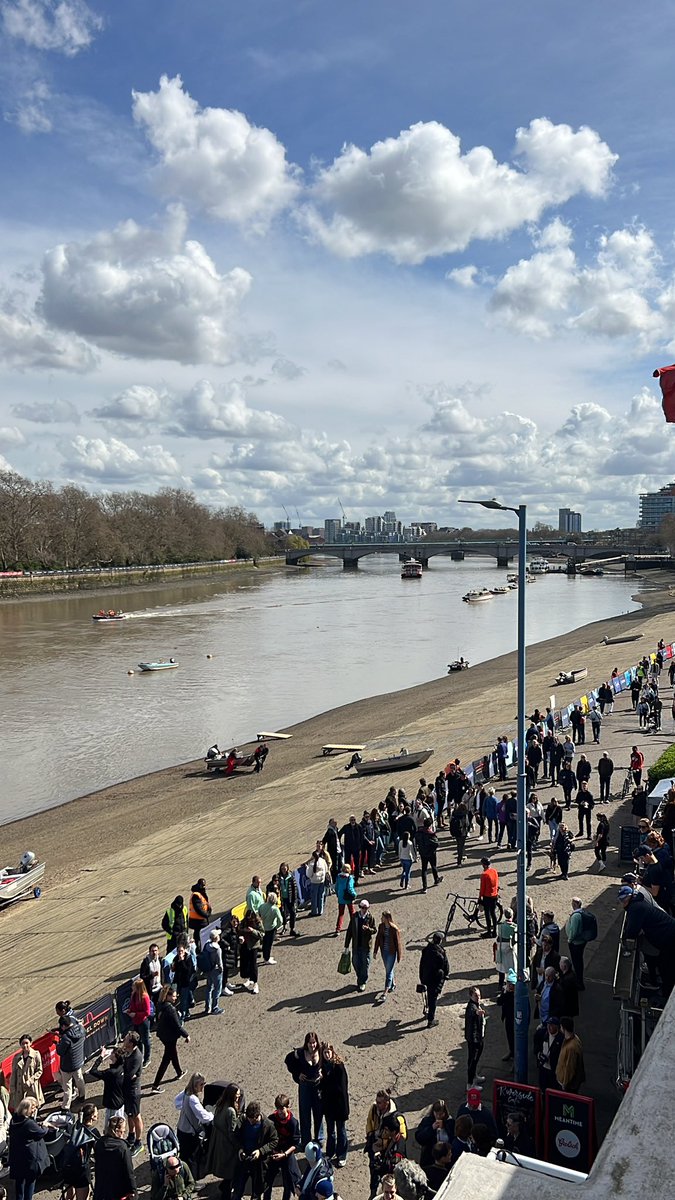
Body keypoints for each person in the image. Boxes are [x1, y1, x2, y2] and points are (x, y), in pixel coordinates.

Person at [285, 1033, 324, 1149]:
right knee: (305, 1113)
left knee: (319, 1113)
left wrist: (323, 1073)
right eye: (310, 1042)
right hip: (305, 1087)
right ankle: (306, 1140)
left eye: (314, 1042)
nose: (312, 1045)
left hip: (317, 1086)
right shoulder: (301, 1053)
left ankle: (319, 1137)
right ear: (306, 1043)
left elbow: (328, 1062)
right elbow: (288, 1060)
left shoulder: (321, 1052)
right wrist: (297, 1074)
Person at [232, 1101, 278, 1200]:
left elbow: (274, 1141)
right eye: (248, 1119)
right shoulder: (243, 1121)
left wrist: (260, 1151)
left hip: (259, 1163)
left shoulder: (268, 1125)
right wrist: (240, 1149)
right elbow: (235, 1137)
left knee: (256, 1193)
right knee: (237, 1190)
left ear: (257, 1116)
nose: (250, 1122)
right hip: (244, 1159)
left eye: (252, 1120)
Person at [365, 1091, 407, 1199]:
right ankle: (373, 1192)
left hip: (391, 1178)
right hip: (378, 1147)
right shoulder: (374, 1109)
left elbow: (393, 1169)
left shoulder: (398, 1147)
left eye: (380, 1102)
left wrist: (380, 1167)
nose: (377, 1104)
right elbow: (369, 1122)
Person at [206, 1084, 243, 1200]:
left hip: (218, 1141)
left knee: (228, 1172)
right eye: (236, 1095)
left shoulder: (220, 1104)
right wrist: (239, 1147)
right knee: (232, 1171)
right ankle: (225, 1194)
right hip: (227, 1145)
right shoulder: (231, 1111)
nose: (238, 1097)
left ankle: (224, 1187)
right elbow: (232, 1132)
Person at [8, 1098, 49, 1200]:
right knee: (30, 1182)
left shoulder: (14, 1120)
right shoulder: (28, 1124)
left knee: (19, 1183)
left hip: (17, 1156)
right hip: (28, 1159)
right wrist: (45, 1126)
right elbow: (40, 1133)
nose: (35, 1110)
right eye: (33, 1108)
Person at [150, 985, 189, 1093]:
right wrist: (186, 1035)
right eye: (174, 996)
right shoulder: (170, 1009)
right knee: (166, 1060)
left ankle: (179, 1072)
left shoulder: (160, 1005)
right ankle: (155, 1085)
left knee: (172, 1053)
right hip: (170, 1036)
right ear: (168, 996)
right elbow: (177, 1025)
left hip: (163, 1034)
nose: (175, 998)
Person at [175, 1073, 214, 1178]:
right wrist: (213, 1115)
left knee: (184, 1156)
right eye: (201, 1084)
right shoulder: (193, 1099)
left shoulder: (186, 1092)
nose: (203, 1087)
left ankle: (183, 1177)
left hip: (181, 1129)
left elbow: (177, 1102)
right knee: (191, 1158)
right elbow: (203, 1116)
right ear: (195, 1085)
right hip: (189, 1133)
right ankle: (192, 1181)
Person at [263, 1096, 301, 1200]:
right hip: (274, 1153)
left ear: (288, 1107)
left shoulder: (293, 1123)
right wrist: (273, 1150)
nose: (280, 1112)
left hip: (287, 1155)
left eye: (282, 1109)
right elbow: (266, 1137)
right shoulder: (271, 1119)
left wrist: (284, 1154)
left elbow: (295, 1144)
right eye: (278, 1109)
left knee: (288, 1182)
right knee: (268, 1181)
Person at [62, 1102, 100, 1200]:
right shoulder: (93, 1131)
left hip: (68, 1167)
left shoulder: (74, 1127)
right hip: (81, 1170)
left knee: (69, 1196)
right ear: (92, 1116)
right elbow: (99, 1151)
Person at [320, 1045, 349, 1168]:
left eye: (329, 1052)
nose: (327, 1055)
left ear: (333, 1052)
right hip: (328, 1106)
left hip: (339, 1105)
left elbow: (341, 1088)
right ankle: (330, 1152)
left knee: (341, 1131)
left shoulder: (338, 1067)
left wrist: (324, 1079)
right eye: (325, 1052)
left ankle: (342, 1155)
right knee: (330, 1131)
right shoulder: (322, 1067)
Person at [92, 1116, 135, 1200]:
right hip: (118, 1191)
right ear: (118, 1130)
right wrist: (133, 1191)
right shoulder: (122, 1147)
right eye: (123, 1129)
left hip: (101, 1189)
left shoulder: (99, 1144)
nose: (124, 1131)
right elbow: (129, 1171)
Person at [344, 899, 377, 992]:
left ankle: (362, 982)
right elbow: (350, 931)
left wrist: (368, 929)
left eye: (365, 908)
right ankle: (360, 978)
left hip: (366, 946)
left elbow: (375, 930)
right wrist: (346, 945)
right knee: (355, 962)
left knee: (365, 964)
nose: (364, 910)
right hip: (356, 945)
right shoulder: (354, 916)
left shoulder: (370, 917)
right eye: (362, 907)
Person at [89, 1045, 126, 1128]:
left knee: (110, 1128)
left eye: (112, 1053)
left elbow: (93, 1071)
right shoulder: (122, 1067)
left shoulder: (110, 1073)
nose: (110, 1054)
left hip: (112, 1105)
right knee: (119, 1126)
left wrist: (101, 1056)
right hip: (120, 1102)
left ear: (115, 1057)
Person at [57, 1012, 86, 1111]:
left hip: (67, 1066)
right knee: (79, 1080)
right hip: (78, 1062)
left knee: (67, 1087)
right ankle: (82, 1096)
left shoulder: (66, 1038)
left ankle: (65, 1106)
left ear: (64, 1026)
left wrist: (57, 1043)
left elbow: (60, 1051)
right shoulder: (81, 1029)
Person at [419, 932, 449, 1028]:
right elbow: (446, 966)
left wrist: (421, 978)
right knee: (433, 999)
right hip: (436, 978)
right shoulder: (441, 952)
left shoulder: (426, 950)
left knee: (429, 995)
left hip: (426, 977)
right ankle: (430, 1020)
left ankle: (427, 1010)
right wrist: (445, 975)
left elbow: (421, 965)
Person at [121, 1031, 143, 1155]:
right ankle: (131, 1135)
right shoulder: (126, 1051)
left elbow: (129, 1075)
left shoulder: (136, 1056)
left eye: (127, 1038)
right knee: (129, 1114)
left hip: (133, 1091)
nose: (124, 1038)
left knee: (135, 1115)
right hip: (126, 1089)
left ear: (131, 1043)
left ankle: (138, 1142)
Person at [9, 1037, 44, 1113]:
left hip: (31, 1086)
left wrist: (30, 1081)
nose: (25, 1046)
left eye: (26, 1043)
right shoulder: (16, 1058)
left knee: (33, 1107)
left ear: (30, 1043)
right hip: (19, 1087)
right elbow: (13, 1073)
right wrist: (12, 1088)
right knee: (21, 1108)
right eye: (22, 1044)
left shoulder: (36, 1055)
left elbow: (39, 1070)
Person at [373, 911, 403, 997]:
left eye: (382, 917)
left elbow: (398, 943)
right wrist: (375, 951)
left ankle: (385, 991)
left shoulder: (394, 929)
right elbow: (378, 939)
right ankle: (393, 984)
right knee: (388, 969)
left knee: (388, 972)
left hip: (391, 953)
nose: (381, 918)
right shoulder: (381, 926)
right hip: (384, 952)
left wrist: (399, 956)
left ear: (386, 918)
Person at [555, 1018, 585, 1093]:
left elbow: (569, 1068)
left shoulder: (571, 1047)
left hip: (569, 1085)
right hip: (572, 1082)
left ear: (563, 1028)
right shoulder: (575, 1039)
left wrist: (564, 1084)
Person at [127, 978, 152, 1067]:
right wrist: (130, 1010)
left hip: (143, 1021)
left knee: (145, 1040)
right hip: (136, 1021)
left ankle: (147, 1058)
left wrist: (136, 1014)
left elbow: (147, 1012)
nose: (132, 987)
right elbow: (132, 1006)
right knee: (138, 1040)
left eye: (133, 986)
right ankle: (140, 1057)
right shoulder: (133, 995)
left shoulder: (144, 997)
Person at [464, 987, 486, 1086]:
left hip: (478, 1037)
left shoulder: (476, 1005)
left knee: (474, 1059)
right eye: (476, 995)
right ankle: (470, 1084)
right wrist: (477, 1013)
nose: (478, 997)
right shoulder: (472, 1007)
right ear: (471, 996)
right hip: (474, 1039)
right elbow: (472, 1012)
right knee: (473, 1060)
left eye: (479, 995)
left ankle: (474, 1076)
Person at [565, 898, 589, 990]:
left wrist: (570, 940)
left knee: (577, 962)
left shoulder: (576, 916)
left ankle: (579, 982)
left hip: (576, 943)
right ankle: (578, 980)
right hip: (580, 941)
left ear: (575, 904)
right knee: (578, 961)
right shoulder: (581, 913)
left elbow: (574, 931)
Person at [239, 908, 264, 995]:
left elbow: (262, 934)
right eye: (248, 918)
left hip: (253, 946)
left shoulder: (258, 922)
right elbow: (239, 930)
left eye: (251, 918)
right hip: (244, 945)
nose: (249, 919)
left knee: (253, 965)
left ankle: (255, 983)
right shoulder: (243, 921)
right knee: (245, 963)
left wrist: (253, 931)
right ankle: (249, 979)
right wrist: (242, 933)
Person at [536, 1016, 564, 1092]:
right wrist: (539, 1055)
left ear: (557, 1027)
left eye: (552, 1025)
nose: (549, 1027)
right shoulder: (543, 1034)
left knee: (553, 1091)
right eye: (548, 1025)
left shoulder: (561, 1039)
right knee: (543, 1089)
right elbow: (537, 1046)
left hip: (553, 1071)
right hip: (543, 1068)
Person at [416, 819, 443, 892]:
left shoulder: (419, 832)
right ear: (430, 825)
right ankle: (436, 879)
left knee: (424, 869)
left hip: (423, 853)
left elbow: (416, 841)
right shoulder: (431, 834)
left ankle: (424, 887)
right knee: (433, 866)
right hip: (431, 853)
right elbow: (436, 843)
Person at [496, 970, 515, 1062]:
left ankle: (515, 1058)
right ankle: (511, 1052)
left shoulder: (516, 994)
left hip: (515, 1019)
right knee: (509, 1037)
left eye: (512, 984)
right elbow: (499, 1002)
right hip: (508, 1017)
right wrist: (505, 993)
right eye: (509, 984)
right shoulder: (506, 992)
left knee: (516, 1039)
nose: (510, 986)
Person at [259, 893, 283, 965]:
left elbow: (259, 913)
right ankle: (267, 958)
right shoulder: (275, 909)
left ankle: (265, 957)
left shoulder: (262, 906)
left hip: (263, 927)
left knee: (264, 943)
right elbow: (280, 920)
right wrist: (277, 926)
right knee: (269, 944)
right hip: (271, 928)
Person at [478, 859, 499, 938]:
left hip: (487, 896)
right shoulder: (494, 871)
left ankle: (489, 931)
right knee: (493, 914)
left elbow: (482, 888)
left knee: (487, 914)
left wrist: (480, 897)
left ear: (484, 865)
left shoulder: (484, 874)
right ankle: (495, 932)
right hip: (494, 895)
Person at [334, 864, 357, 935]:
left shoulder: (338, 876)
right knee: (352, 912)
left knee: (341, 913)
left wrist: (338, 895)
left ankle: (338, 929)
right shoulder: (350, 878)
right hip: (348, 897)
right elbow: (350, 888)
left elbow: (336, 887)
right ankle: (354, 926)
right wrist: (354, 894)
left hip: (341, 897)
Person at [339, 816, 363, 883]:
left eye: (354, 820)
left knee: (357, 863)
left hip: (356, 848)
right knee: (347, 863)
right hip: (348, 848)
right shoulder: (346, 827)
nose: (353, 821)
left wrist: (360, 847)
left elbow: (362, 837)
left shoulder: (359, 827)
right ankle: (348, 877)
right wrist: (340, 843)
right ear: (349, 820)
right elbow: (339, 834)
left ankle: (356, 879)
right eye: (351, 820)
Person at [188, 879, 212, 947]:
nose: (204, 887)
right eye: (203, 885)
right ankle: (199, 950)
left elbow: (205, 903)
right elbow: (198, 908)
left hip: (201, 920)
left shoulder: (201, 893)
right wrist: (206, 914)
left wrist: (209, 910)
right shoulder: (196, 895)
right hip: (198, 921)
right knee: (198, 937)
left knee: (200, 936)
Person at [139, 943, 163, 1010]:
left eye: (156, 950)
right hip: (150, 990)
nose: (154, 953)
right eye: (152, 951)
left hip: (159, 987)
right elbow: (142, 976)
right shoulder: (146, 962)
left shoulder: (160, 960)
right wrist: (151, 976)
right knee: (151, 1008)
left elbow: (162, 973)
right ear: (149, 952)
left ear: (158, 951)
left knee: (159, 1005)